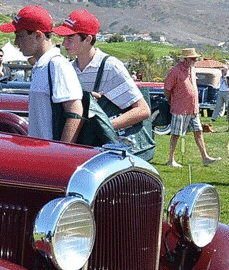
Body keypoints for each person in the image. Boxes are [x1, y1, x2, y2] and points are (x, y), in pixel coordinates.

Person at [53, 9, 154, 160]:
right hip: (86, 149)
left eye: (70, 38)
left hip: (111, 154)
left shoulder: (110, 66)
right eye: (64, 38)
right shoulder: (69, 68)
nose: (64, 43)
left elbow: (143, 110)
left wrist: (103, 127)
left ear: (87, 39)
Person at [0, 5, 84, 142]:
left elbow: (75, 112)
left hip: (50, 156)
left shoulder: (57, 64)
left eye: (19, 36)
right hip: (40, 154)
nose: (16, 42)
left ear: (38, 35)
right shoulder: (42, 65)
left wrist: (60, 154)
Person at [163, 48, 220, 167]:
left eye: (195, 58)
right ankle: (171, 160)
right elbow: (167, 88)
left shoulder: (192, 69)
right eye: (193, 58)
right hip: (180, 108)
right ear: (185, 58)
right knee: (176, 134)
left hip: (193, 108)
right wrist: (171, 101)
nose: (195, 60)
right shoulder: (176, 71)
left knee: (198, 131)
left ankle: (205, 157)